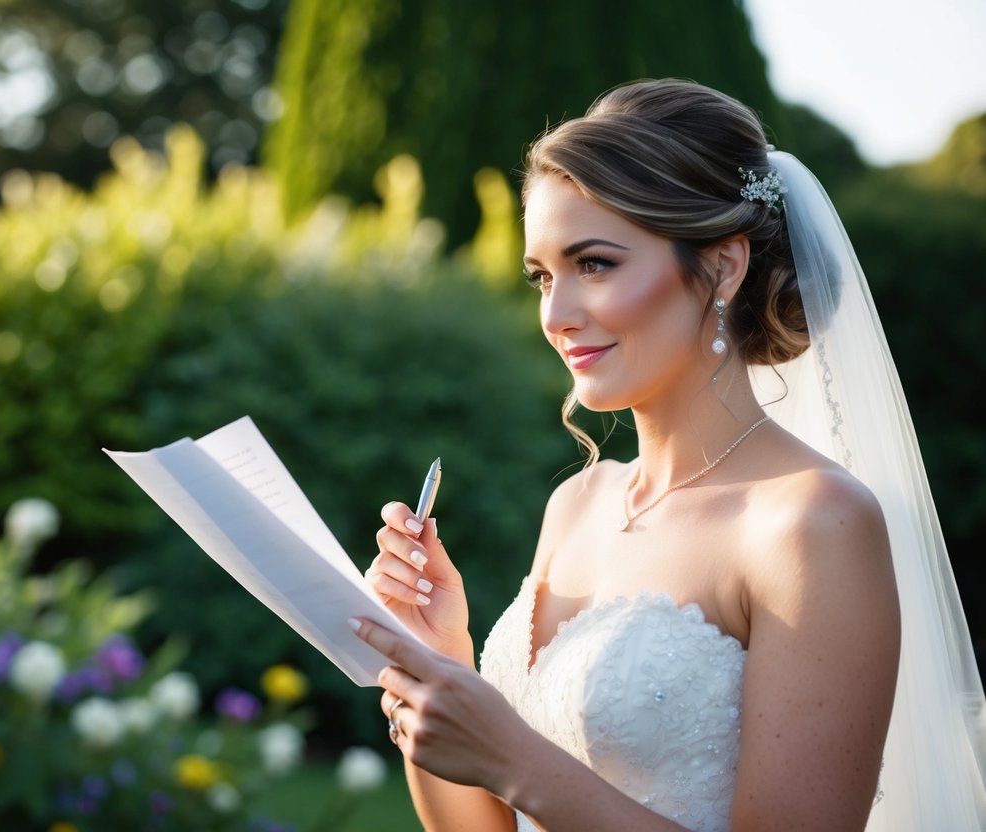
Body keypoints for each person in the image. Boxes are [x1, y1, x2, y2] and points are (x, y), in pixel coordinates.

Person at [350, 79, 986, 831]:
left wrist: (512, 755)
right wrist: (440, 661)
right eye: (541, 276)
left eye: (593, 264)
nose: (554, 316)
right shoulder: (576, 506)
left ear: (721, 268)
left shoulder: (811, 523)